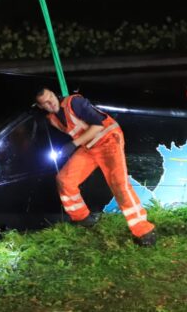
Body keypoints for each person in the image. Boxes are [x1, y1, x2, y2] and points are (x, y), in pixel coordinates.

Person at [35, 87, 157, 246]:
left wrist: (72, 145)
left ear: (54, 94)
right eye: (45, 103)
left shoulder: (75, 102)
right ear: (41, 106)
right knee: (64, 180)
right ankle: (82, 218)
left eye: (51, 97)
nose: (51, 103)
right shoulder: (53, 119)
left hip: (109, 141)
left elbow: (98, 125)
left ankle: (143, 230)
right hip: (89, 147)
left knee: (119, 185)